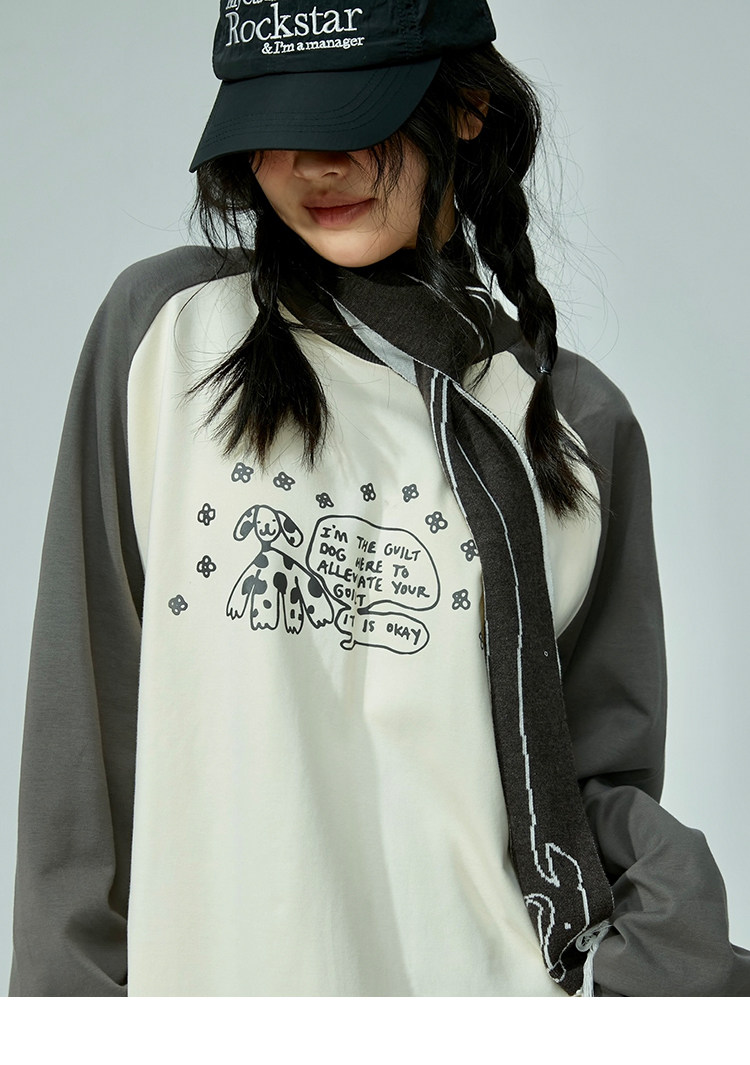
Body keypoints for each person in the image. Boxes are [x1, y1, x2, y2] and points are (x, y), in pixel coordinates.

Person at [8, 0, 750, 997]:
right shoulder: (171, 337)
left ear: (469, 108)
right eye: (278, 122)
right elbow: (81, 756)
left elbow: (586, 788)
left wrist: (665, 923)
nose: (315, 163)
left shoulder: (576, 427)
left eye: (357, 115)